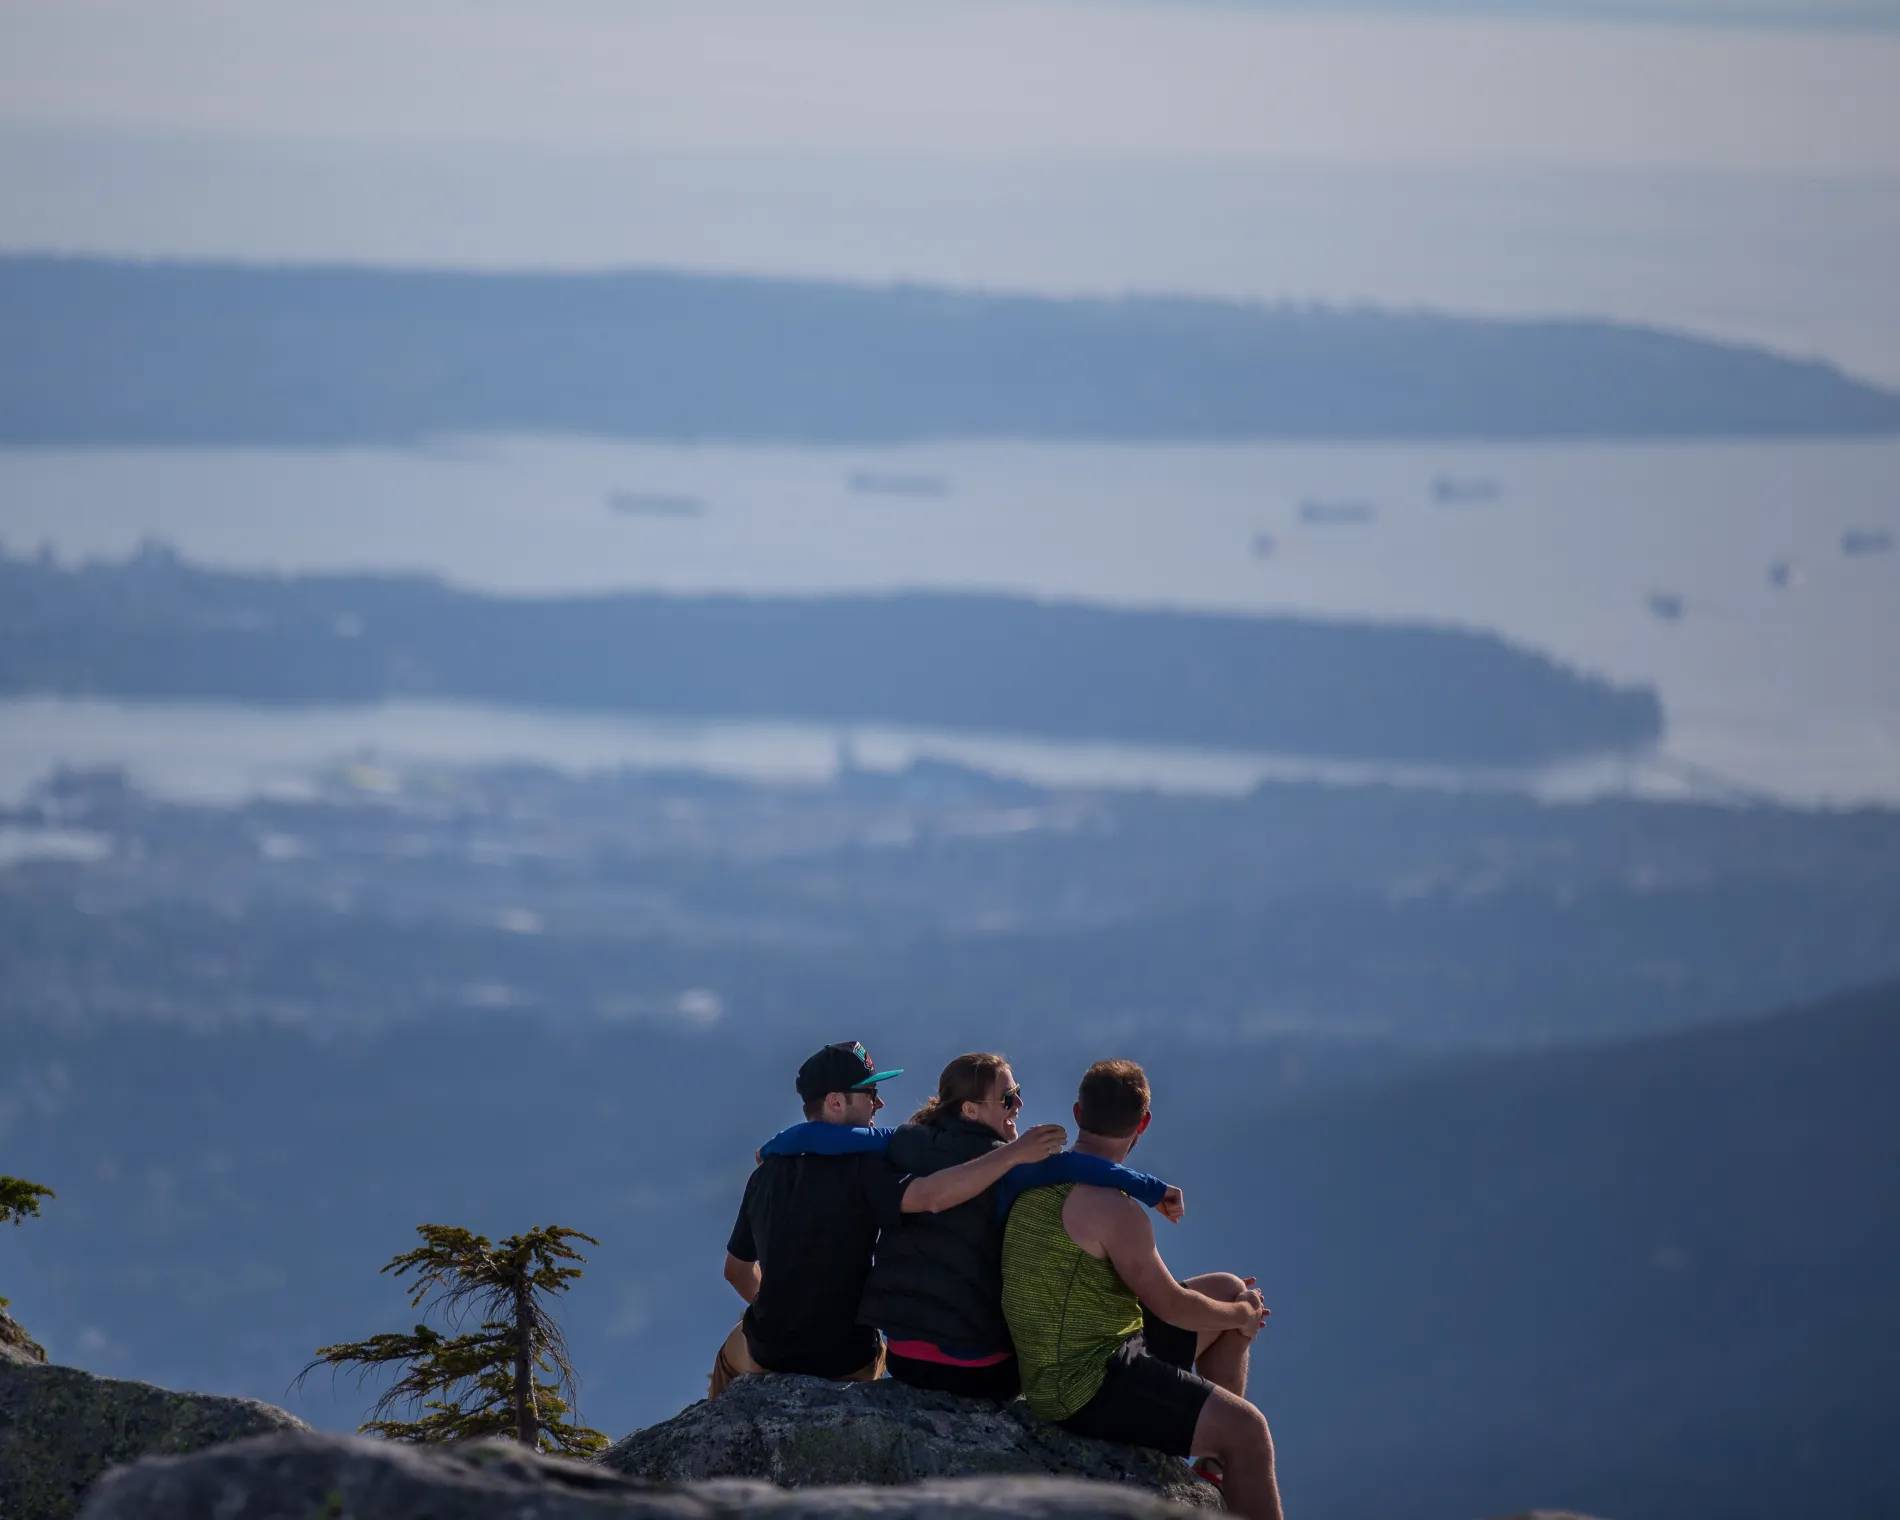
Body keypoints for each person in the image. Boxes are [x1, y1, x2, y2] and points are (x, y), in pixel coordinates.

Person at [756, 1051, 1185, 1398]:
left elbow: (827, 1138)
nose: (1018, 1104)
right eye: (1008, 1097)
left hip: (903, 1358)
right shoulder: (1015, 1167)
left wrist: (772, 1147)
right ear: (970, 1109)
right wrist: (1150, 1189)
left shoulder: (904, 1143)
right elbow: (1079, 1165)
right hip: (976, 1371)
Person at [1001, 1059, 1284, 1520]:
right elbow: (1170, 1304)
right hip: (1084, 1386)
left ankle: (1212, 1467)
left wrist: (1233, 1307)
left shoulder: (1038, 1175)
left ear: (1077, 1113)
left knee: (1228, 1289)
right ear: (1143, 1124)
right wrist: (1243, 1319)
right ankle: (1228, 1448)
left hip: (1081, 1355)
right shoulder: (1115, 1211)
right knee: (1250, 1430)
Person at [711, 1040, 1066, 1398]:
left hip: (768, 1347)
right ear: (836, 1102)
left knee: (728, 1359)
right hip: (846, 1358)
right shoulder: (868, 1170)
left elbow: (736, 1271)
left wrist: (782, 1318)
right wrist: (1014, 1155)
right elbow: (929, 1196)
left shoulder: (765, 1175)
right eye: (870, 1093)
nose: (879, 1103)